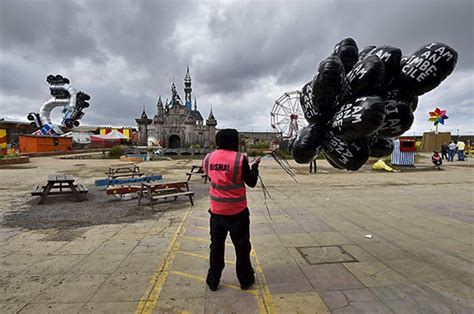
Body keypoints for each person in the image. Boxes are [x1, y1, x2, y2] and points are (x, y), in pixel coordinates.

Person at [202, 129, 260, 292]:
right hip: (237, 213)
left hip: (216, 212)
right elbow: (252, 182)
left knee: (216, 247)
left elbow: (212, 176)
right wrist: (255, 166)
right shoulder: (239, 159)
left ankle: (213, 281)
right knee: (242, 248)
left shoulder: (208, 158)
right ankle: (245, 279)